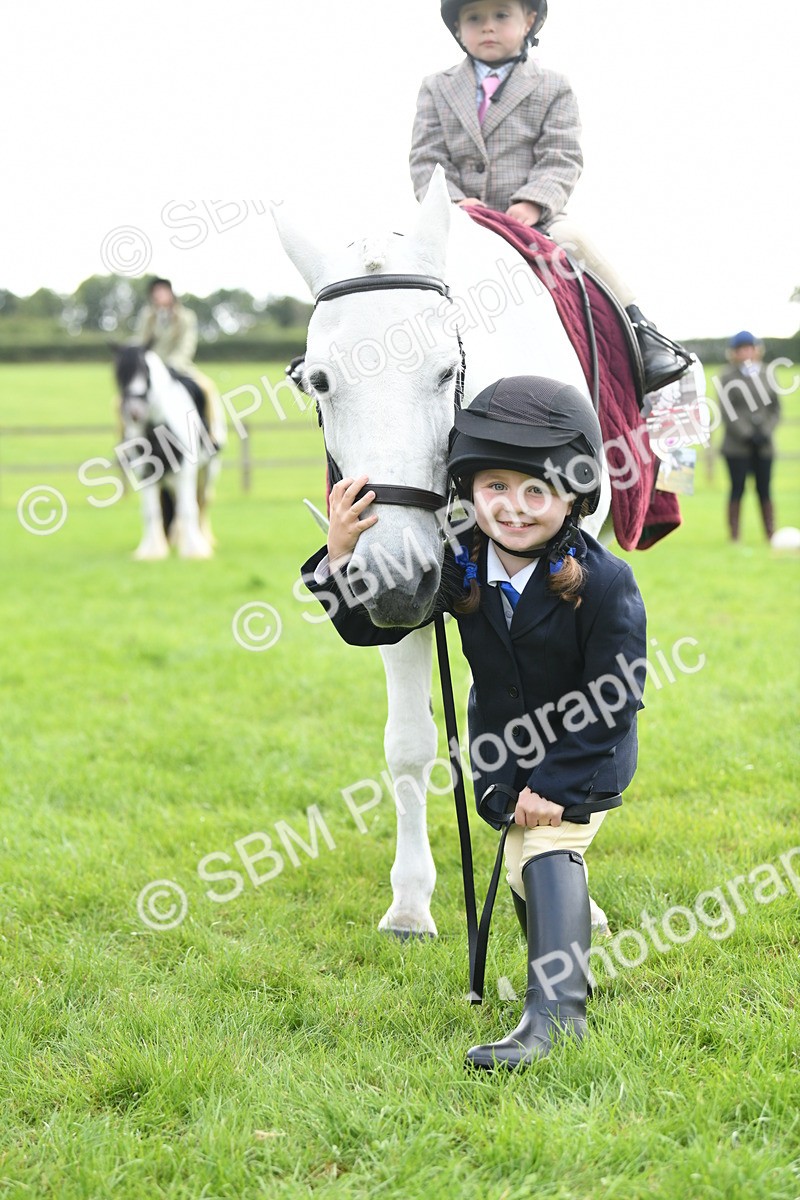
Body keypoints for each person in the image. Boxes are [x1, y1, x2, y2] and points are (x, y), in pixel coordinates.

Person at [300, 376, 647, 1070]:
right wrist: (341, 558)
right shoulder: (459, 572)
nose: (513, 509)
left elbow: (616, 695)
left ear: (575, 498)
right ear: (467, 491)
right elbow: (371, 631)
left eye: (535, 492)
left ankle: (554, 1021)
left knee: (544, 853)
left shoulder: (604, 582)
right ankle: (563, 973)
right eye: (495, 488)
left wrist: (553, 782)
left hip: (584, 757)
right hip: (504, 762)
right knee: (522, 869)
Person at [409, 0, 691, 395]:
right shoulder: (436, 87)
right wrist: (455, 203)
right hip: (460, 217)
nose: (488, 27)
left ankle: (643, 333)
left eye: (501, 15)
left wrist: (533, 202)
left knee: (575, 238)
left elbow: (562, 155)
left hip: (533, 217)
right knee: (398, 258)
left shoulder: (552, 85)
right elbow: (427, 158)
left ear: (529, 21)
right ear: (458, 29)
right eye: (474, 18)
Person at [134, 277, 225, 445]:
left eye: (163, 291)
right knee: (122, 401)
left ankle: (211, 435)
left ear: (171, 294)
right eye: (156, 292)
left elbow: (187, 344)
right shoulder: (147, 316)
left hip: (178, 367)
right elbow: (141, 341)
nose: (159, 295)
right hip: (151, 370)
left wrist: (173, 364)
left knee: (207, 388)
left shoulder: (185, 317)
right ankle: (126, 441)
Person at [715, 331, 781, 542]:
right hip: (737, 445)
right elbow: (727, 410)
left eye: (750, 348)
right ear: (734, 353)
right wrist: (747, 433)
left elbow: (775, 408)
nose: (746, 353)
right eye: (741, 349)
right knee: (738, 488)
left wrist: (765, 432)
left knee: (764, 489)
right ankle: (735, 536)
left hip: (764, 444)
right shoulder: (726, 376)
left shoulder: (767, 374)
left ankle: (770, 533)